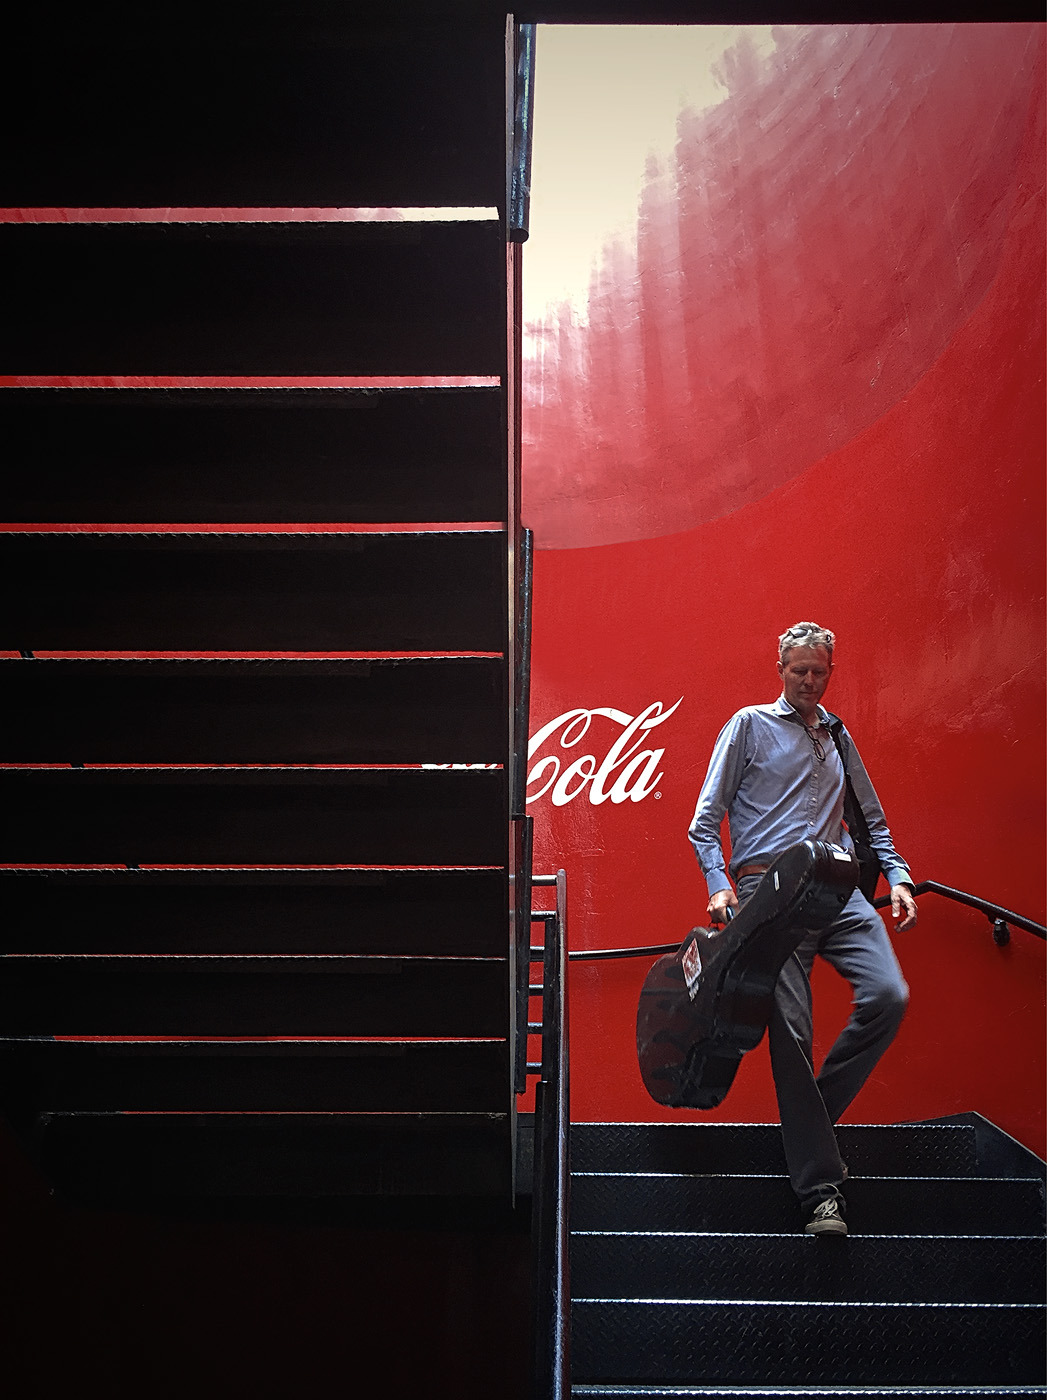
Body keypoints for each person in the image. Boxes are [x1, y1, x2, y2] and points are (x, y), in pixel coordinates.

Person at [688, 621, 917, 1236]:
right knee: (790, 1031)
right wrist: (718, 883)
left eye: (820, 672)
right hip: (771, 890)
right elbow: (703, 822)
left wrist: (896, 875)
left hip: (837, 888)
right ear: (781, 668)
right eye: (800, 672)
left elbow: (871, 817)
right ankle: (820, 1192)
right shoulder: (748, 726)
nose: (810, 681)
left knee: (889, 997)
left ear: (830, 672)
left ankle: (806, 1123)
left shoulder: (838, 733)